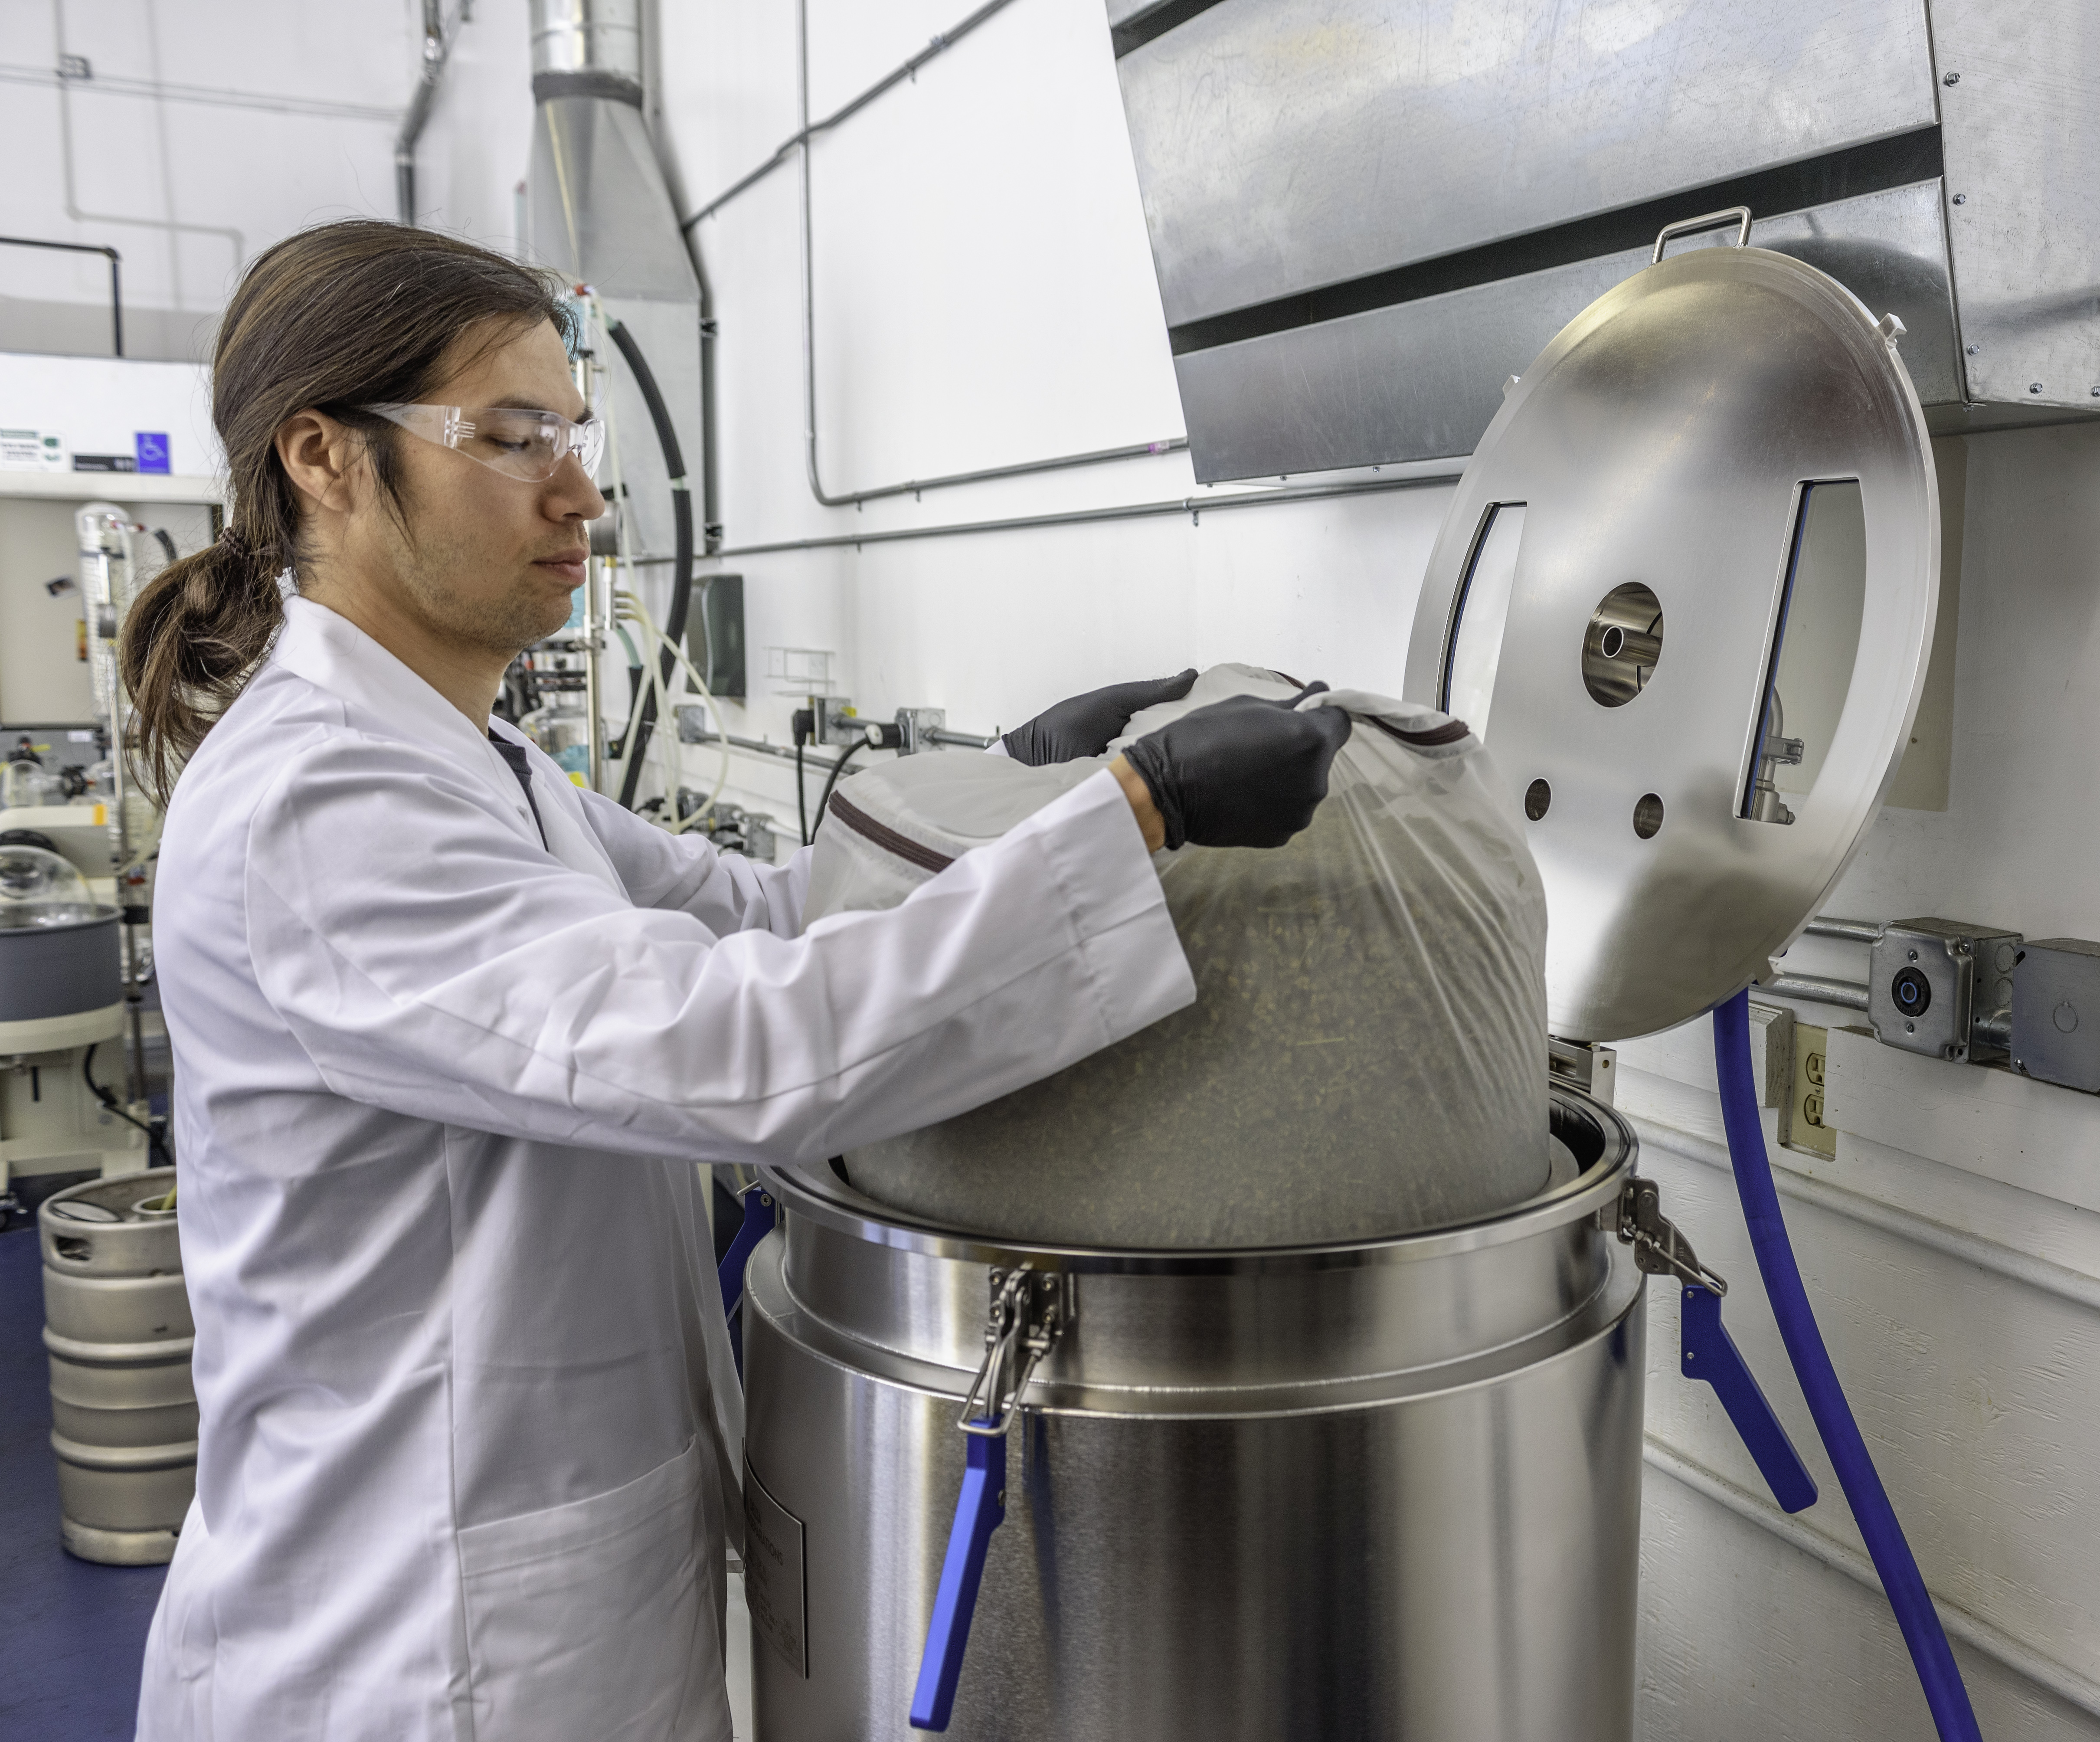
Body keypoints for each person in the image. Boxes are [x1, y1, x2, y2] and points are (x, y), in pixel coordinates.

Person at [124, 220, 1349, 1741]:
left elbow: (772, 911)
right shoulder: (322, 806)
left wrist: (1019, 781)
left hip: (564, 1588)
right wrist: (1142, 815)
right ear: (325, 458)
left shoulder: (483, 764)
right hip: (416, 1642)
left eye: (573, 436)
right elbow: (731, 1048)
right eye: (511, 439)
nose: (578, 493)